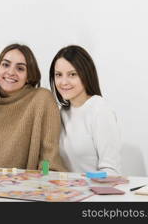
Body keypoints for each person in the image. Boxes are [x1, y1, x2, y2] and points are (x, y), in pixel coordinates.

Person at [0, 44, 67, 171]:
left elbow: (49, 158)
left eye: (20, 68)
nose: (10, 72)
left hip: (30, 188)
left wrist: (45, 179)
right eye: (5, 65)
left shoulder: (42, 99)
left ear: (29, 75)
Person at [49, 45, 121, 176]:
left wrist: (82, 183)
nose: (63, 82)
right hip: (69, 191)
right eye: (58, 75)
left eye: (72, 74)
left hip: (96, 191)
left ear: (86, 74)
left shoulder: (99, 110)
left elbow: (111, 172)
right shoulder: (62, 113)